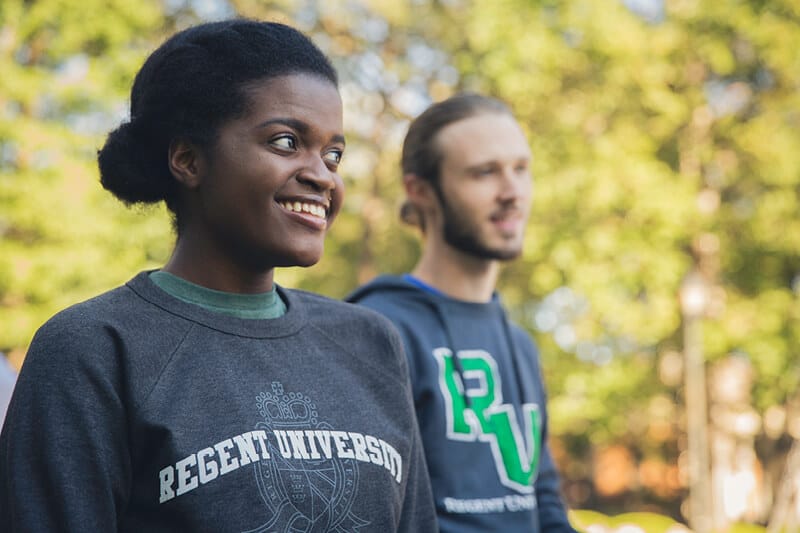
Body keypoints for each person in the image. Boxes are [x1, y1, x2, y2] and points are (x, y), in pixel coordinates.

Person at [0, 20, 436, 533]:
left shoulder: (372, 343)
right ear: (188, 159)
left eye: (333, 153)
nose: (322, 175)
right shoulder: (93, 350)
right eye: (286, 141)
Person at [348, 94, 577, 532]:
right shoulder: (377, 329)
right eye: (485, 172)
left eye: (521, 169)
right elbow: (370, 512)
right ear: (421, 191)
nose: (513, 193)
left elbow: (541, 497)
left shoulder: (521, 345)